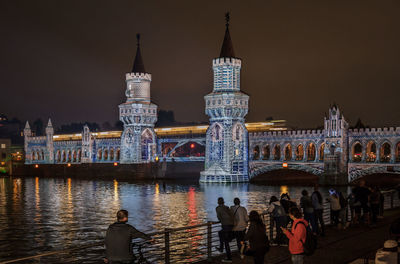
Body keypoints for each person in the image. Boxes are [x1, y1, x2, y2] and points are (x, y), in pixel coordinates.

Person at [216, 197, 234, 263]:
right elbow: (231, 215)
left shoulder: (218, 208)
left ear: (218, 202)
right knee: (220, 233)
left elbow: (219, 218)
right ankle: (221, 248)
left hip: (226, 226)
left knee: (226, 242)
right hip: (232, 225)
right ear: (223, 202)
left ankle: (229, 258)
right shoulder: (227, 207)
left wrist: (222, 220)